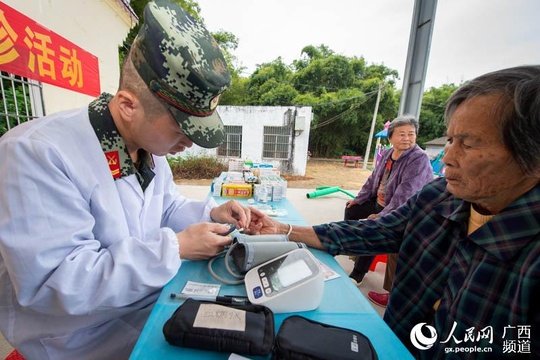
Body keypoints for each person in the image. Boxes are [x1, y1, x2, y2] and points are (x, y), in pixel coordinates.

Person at [0, 1, 253, 359]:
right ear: (128, 105)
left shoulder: (147, 146)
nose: (190, 142)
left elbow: (164, 208)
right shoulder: (36, 154)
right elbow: (58, 283)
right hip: (76, 337)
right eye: (182, 128)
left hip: (139, 304)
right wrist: (175, 248)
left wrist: (211, 215)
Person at [248, 65, 540, 358]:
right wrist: (284, 229)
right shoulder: (438, 197)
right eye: (451, 140)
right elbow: (381, 228)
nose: (447, 157)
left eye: (469, 143)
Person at [345, 115, 433, 308]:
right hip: (382, 202)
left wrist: (382, 216)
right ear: (390, 137)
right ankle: (355, 249)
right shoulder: (387, 154)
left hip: (405, 212)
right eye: (401, 134)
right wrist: (358, 199)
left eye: (411, 134)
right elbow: (373, 179)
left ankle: (359, 272)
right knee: (352, 210)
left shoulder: (418, 159)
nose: (407, 138)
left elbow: (406, 194)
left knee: (373, 228)